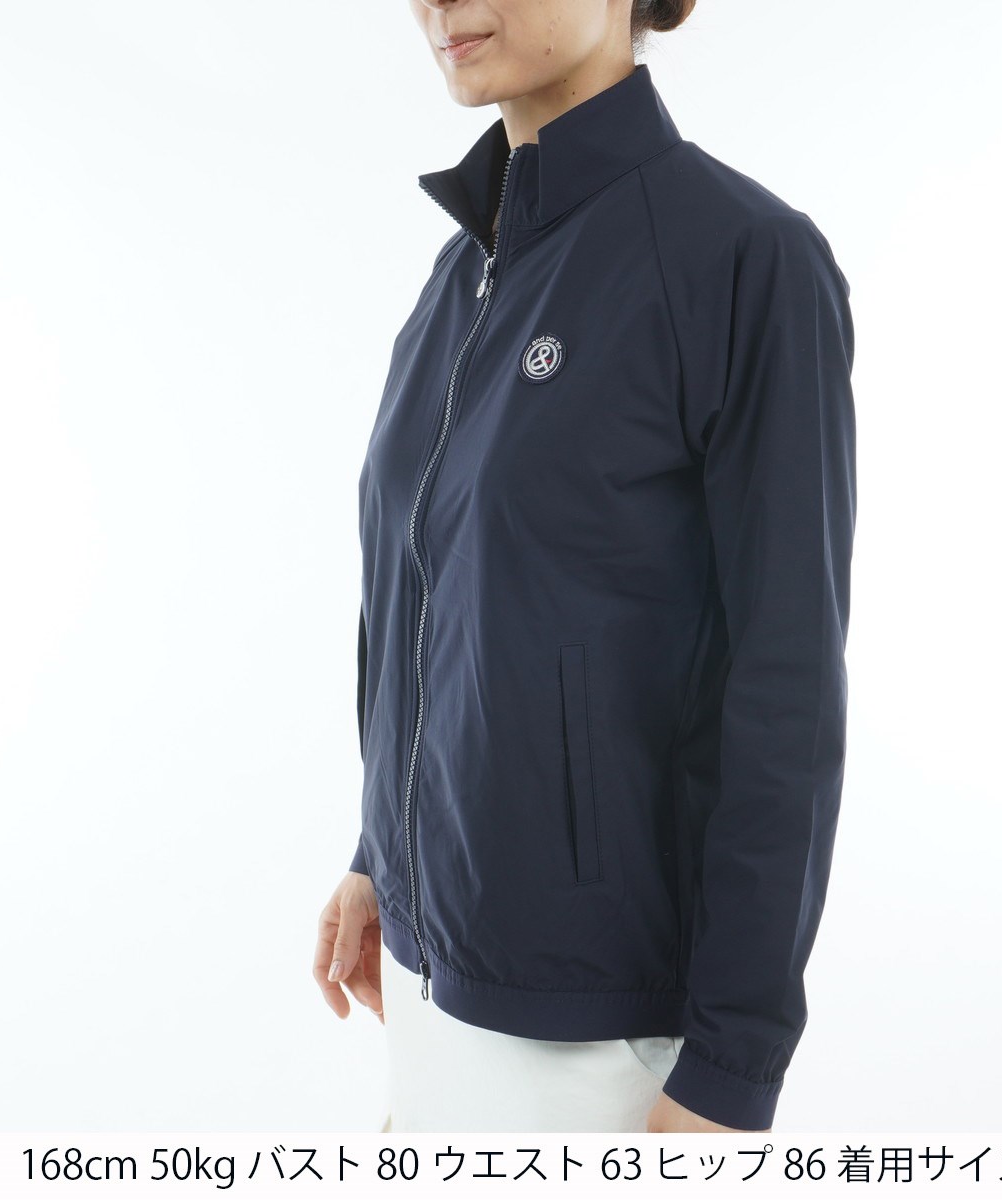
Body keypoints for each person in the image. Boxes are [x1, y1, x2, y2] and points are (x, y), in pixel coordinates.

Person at [314, 0, 857, 1134]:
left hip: (605, 1046)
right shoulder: (461, 273)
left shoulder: (742, 258)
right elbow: (431, 599)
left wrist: (733, 1063)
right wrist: (381, 857)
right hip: (426, 1000)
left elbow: (787, 688)